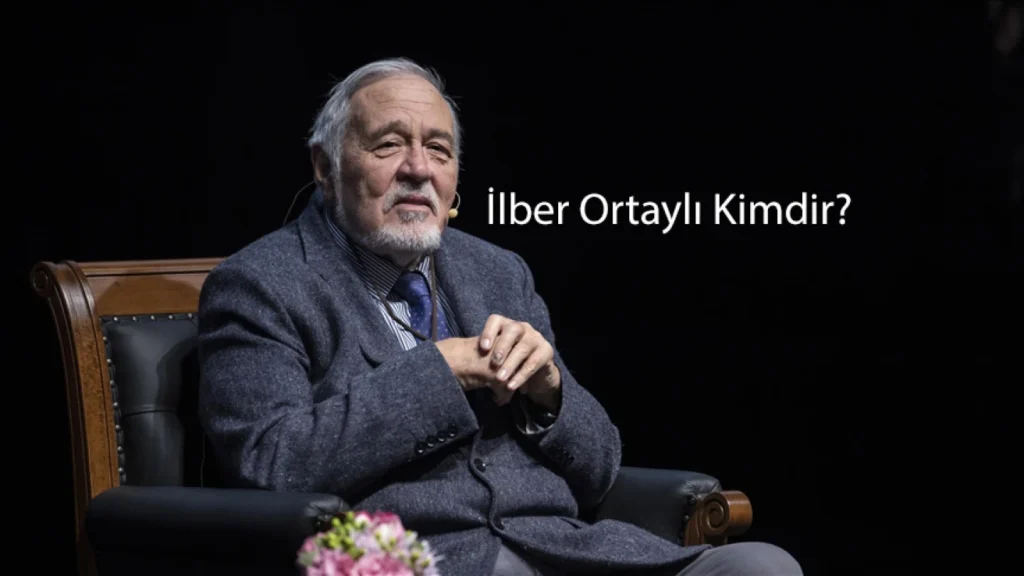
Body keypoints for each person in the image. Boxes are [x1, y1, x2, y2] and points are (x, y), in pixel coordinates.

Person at [196, 57, 802, 576]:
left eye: (438, 150)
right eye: (388, 144)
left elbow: (600, 471)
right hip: (420, 559)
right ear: (325, 166)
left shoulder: (498, 271)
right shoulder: (260, 284)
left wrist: (550, 393)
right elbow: (270, 464)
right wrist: (440, 371)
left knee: (760, 566)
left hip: (562, 549)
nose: (418, 168)